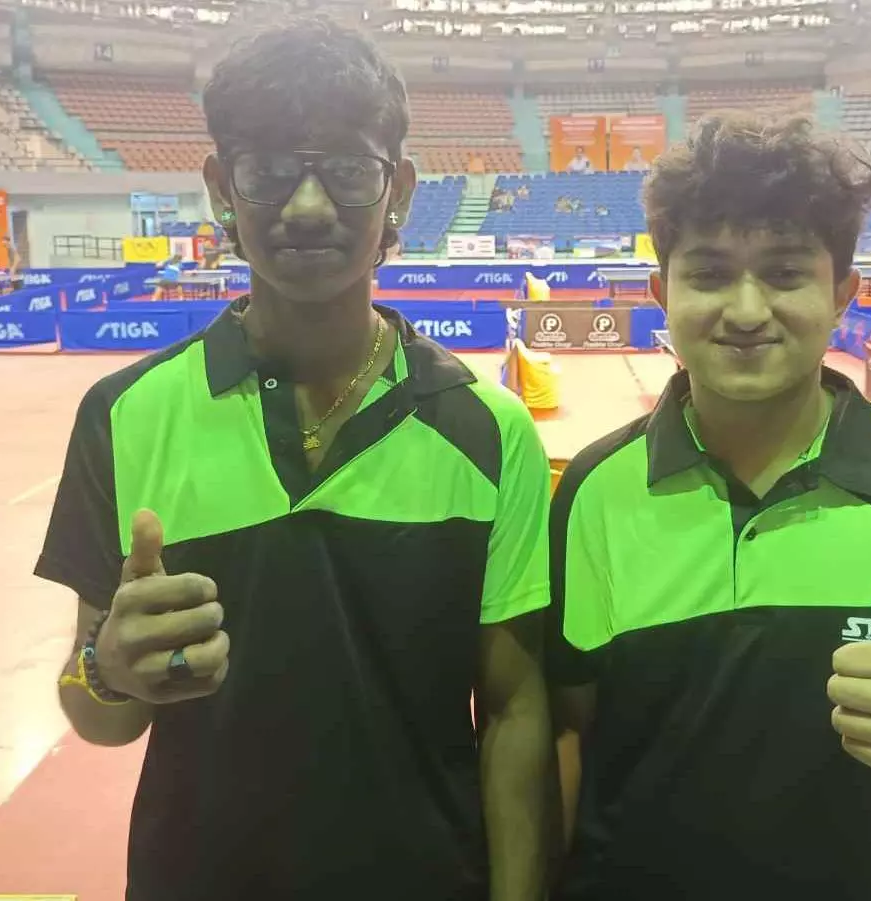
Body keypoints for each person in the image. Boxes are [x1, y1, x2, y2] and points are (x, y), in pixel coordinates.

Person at [37, 16, 553, 901]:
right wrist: (110, 670)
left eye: (349, 171)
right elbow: (97, 711)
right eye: (270, 169)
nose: (308, 206)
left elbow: (514, 707)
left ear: (400, 192)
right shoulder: (123, 416)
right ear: (219, 187)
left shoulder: (486, 430)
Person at [547, 113, 871, 901]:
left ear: (843, 295)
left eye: (785, 272)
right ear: (661, 292)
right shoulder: (595, 488)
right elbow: (567, 739)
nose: (745, 308)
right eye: (709, 273)